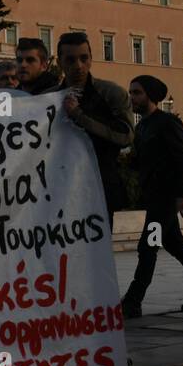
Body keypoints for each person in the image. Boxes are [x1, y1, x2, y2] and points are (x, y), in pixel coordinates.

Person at [121, 75, 183, 316]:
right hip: (153, 195)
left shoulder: (167, 123)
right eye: (131, 92)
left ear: (151, 96)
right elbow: (142, 161)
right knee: (175, 245)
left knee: (148, 246)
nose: (132, 97)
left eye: (137, 93)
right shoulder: (142, 127)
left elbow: (181, 158)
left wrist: (182, 192)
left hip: (165, 197)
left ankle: (133, 301)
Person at [55, 31, 133, 224]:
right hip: (60, 189)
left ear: (91, 59)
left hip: (101, 186)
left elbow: (125, 136)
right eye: (71, 59)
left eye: (84, 58)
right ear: (60, 62)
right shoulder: (49, 99)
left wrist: (79, 116)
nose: (78, 66)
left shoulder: (112, 93)